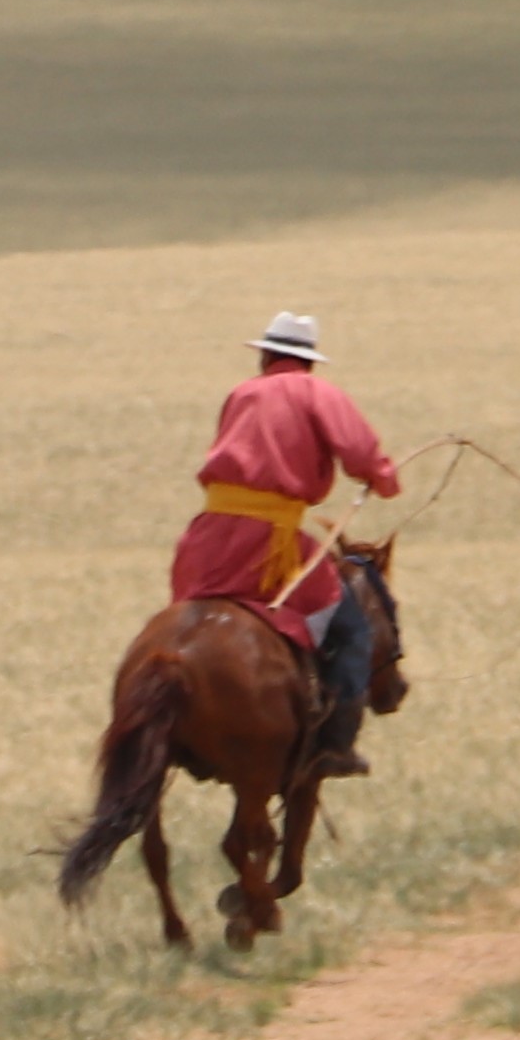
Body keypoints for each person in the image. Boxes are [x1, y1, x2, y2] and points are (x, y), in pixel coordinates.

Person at [179, 311, 400, 777]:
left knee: (187, 621)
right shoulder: (319, 393)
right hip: (270, 542)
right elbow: (360, 452)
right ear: (309, 362)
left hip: (207, 538)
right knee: (351, 628)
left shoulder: (240, 393)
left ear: (264, 355)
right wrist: (382, 478)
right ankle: (335, 744)